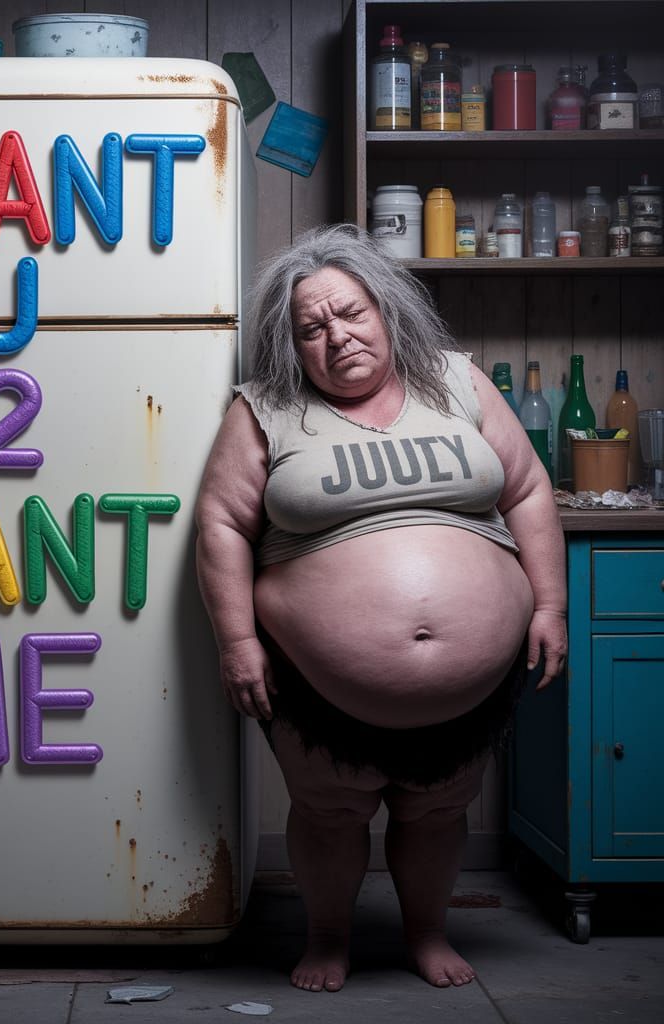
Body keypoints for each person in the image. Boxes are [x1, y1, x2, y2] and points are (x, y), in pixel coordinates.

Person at [194, 224, 567, 993]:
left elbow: (527, 488)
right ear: (290, 344)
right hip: (314, 685)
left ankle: (426, 933)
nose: (337, 337)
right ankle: (328, 937)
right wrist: (237, 640)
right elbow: (222, 524)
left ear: (387, 311)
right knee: (330, 812)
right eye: (312, 328)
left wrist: (551, 605)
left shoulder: (456, 381)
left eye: (351, 314)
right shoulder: (265, 408)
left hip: (471, 685)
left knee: (436, 810)